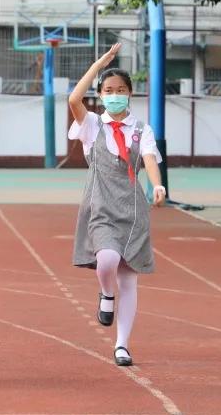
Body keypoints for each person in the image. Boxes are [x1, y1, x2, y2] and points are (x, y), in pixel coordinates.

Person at [68, 45, 166, 367]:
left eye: (121, 90)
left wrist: (158, 184)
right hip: (100, 207)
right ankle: (105, 295)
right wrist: (101, 63)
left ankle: (122, 345)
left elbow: (150, 159)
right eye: (108, 90)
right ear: (100, 94)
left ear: (130, 94)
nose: (114, 95)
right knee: (107, 260)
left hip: (133, 210)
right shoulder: (93, 125)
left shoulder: (141, 130)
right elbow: (73, 101)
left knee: (129, 279)